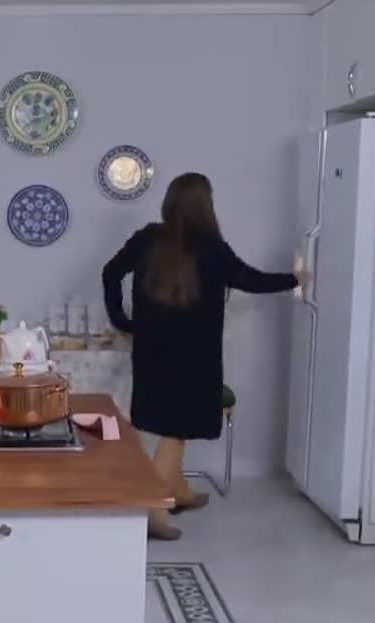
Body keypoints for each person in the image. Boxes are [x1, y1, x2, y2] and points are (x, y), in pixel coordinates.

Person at [102, 172, 304, 540]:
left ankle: (179, 492)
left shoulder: (147, 239)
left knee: (165, 423)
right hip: (195, 356)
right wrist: (295, 279)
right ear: (205, 206)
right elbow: (252, 280)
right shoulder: (213, 249)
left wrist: (122, 321)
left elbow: (110, 273)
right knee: (176, 431)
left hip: (150, 351)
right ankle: (153, 512)